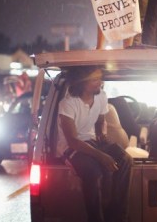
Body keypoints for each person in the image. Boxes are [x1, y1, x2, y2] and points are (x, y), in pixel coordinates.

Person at [57, 67, 133, 222]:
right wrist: (102, 156)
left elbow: (100, 120)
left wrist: (102, 134)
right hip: (72, 147)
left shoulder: (101, 96)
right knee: (94, 173)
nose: (100, 82)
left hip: (93, 141)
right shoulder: (68, 104)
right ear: (82, 83)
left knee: (126, 159)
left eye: (100, 78)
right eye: (95, 79)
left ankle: (117, 215)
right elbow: (72, 140)